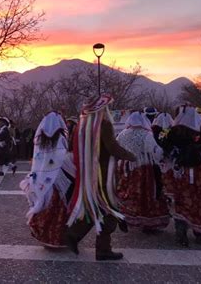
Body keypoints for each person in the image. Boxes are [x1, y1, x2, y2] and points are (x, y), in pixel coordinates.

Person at [65, 94, 137, 261]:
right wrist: (131, 156)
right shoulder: (103, 125)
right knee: (109, 210)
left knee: (95, 207)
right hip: (103, 174)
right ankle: (102, 249)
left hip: (88, 174)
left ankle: (73, 234)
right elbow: (112, 147)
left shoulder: (81, 126)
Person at [162, 106, 201, 246]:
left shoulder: (173, 131)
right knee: (200, 201)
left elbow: (166, 151)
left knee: (181, 200)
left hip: (178, 172)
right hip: (199, 172)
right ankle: (199, 233)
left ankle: (181, 232)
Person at [20, 112, 74, 248]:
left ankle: (44, 236)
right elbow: (62, 158)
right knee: (58, 209)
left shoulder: (39, 139)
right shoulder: (60, 139)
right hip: (58, 178)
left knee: (44, 206)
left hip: (41, 177)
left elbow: (38, 159)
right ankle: (56, 238)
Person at [115, 112, 170, 232]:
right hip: (143, 168)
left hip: (125, 166)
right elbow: (155, 151)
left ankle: (125, 215)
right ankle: (147, 222)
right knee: (145, 194)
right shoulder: (146, 134)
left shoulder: (123, 134)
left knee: (127, 191)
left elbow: (116, 147)